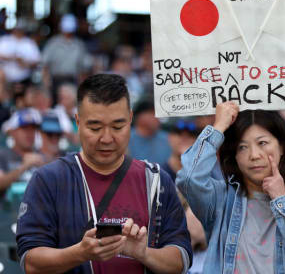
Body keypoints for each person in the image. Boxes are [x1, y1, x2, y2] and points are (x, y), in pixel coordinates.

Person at [16, 74, 192, 273]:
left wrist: (143, 253)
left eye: (118, 127)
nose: (106, 138)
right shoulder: (49, 180)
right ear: (78, 122)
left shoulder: (156, 180)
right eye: (95, 127)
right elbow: (30, 262)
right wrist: (80, 253)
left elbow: (180, 259)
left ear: (131, 120)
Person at [176, 101, 285, 274]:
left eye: (262, 143)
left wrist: (282, 202)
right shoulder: (221, 201)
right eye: (242, 147)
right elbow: (189, 179)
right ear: (234, 156)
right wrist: (218, 127)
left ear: (282, 148)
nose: (254, 155)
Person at [0, 108, 45, 201]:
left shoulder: (42, 156)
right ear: (12, 132)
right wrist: (24, 166)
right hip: (10, 212)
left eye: (33, 129)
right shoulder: (3, 155)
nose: (29, 133)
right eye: (24, 129)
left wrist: (45, 168)